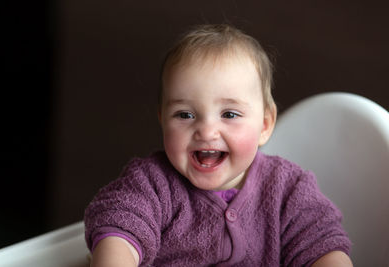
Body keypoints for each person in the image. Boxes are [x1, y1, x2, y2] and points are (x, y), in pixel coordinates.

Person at [84, 24, 353, 266]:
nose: (207, 130)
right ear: (163, 120)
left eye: (229, 114)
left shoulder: (288, 189)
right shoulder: (151, 183)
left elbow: (322, 244)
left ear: (264, 125)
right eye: (185, 115)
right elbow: (120, 226)